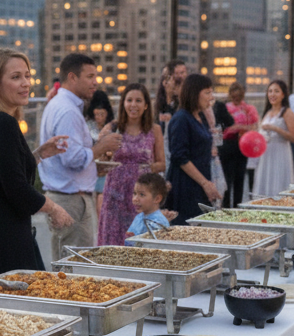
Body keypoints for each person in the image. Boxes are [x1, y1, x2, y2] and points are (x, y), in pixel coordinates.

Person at [0, 49, 71, 273]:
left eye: (28, 76)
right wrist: (54, 208)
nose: (26, 83)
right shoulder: (2, 124)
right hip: (0, 237)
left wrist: (37, 155)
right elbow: (16, 188)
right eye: (16, 77)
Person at [38, 53, 122, 261]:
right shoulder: (67, 111)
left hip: (68, 196)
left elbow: (67, 157)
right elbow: (72, 159)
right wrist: (101, 147)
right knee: (74, 268)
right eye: (90, 76)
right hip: (70, 200)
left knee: (72, 264)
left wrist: (95, 165)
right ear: (72, 77)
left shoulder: (61, 105)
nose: (95, 82)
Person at [97, 83, 165, 246]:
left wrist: (146, 168)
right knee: (113, 243)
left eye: (138, 100)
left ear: (146, 105)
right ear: (123, 104)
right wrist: (106, 156)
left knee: (140, 242)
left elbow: (162, 164)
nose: (133, 105)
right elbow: (99, 165)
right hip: (115, 196)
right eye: (129, 100)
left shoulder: (154, 129)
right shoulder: (112, 128)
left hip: (142, 196)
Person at [166, 73, 219, 223]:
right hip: (185, 186)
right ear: (194, 93)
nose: (211, 97)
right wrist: (205, 183)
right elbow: (179, 156)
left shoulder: (200, 117)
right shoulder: (181, 118)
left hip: (200, 183)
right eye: (207, 92)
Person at [251, 79, 294, 198]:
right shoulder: (267, 112)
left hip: (280, 153)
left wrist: (275, 128)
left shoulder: (287, 112)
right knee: (265, 181)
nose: (272, 94)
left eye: (276, 91)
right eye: (270, 91)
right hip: (266, 154)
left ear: (283, 94)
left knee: (278, 183)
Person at [220, 81, 259, 208]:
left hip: (243, 144)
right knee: (227, 178)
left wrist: (240, 127)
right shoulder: (224, 108)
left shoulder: (248, 109)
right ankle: (225, 206)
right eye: (234, 97)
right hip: (227, 144)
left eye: (239, 97)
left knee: (240, 177)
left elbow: (255, 126)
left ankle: (238, 206)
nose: (236, 100)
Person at [85, 89, 115, 213]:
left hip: (105, 169)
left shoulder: (111, 126)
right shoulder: (88, 125)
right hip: (92, 168)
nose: (99, 117)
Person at [124, 173, 176, 241]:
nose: (135, 199)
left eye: (142, 195)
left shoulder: (158, 223)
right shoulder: (139, 217)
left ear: (157, 199)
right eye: (134, 193)